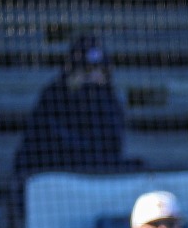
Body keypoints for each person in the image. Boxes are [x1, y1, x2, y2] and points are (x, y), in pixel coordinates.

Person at [14, 34, 128, 178]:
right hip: (54, 175)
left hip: (95, 176)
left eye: (99, 71)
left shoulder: (107, 99)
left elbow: (113, 143)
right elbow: (45, 142)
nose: (92, 77)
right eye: (85, 71)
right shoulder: (53, 96)